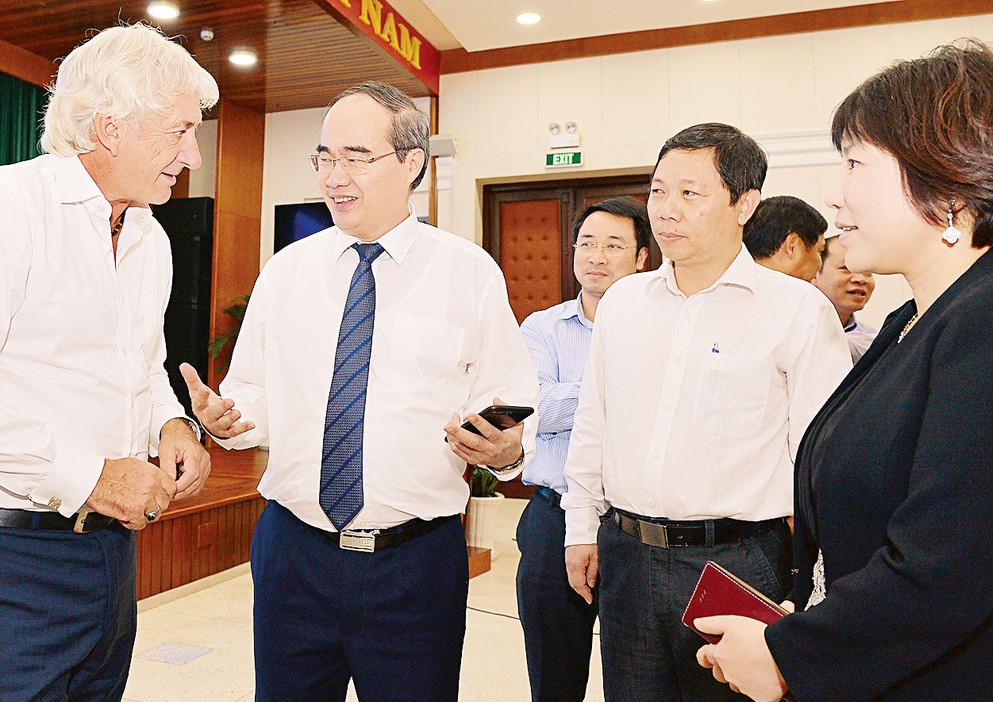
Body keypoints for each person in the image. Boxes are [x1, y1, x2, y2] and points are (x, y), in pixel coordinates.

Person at [180, 81, 539, 702]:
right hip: (294, 554)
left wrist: (503, 450)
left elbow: (510, 404)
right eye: (324, 157)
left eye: (355, 156)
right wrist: (227, 418)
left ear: (411, 164)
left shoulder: (467, 273)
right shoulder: (287, 271)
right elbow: (252, 399)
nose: (334, 175)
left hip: (415, 563)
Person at [695, 41, 993, 702]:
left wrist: (786, 655)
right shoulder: (913, 322)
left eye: (855, 163)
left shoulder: (987, 320)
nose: (833, 193)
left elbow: (947, 571)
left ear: (943, 174)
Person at [562, 123, 852, 702]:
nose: (666, 210)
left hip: (739, 562)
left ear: (745, 204)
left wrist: (814, 582)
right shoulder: (623, 303)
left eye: (690, 194)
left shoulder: (796, 311)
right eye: (658, 190)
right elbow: (595, 420)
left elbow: (823, 458)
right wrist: (578, 527)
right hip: (627, 555)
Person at [0, 24, 215, 701]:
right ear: (110, 126)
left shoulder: (150, 237)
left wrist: (171, 427)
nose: (195, 156)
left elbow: (143, 367)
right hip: (15, 558)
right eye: (179, 131)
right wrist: (90, 476)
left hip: (111, 558)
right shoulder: (12, 210)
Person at [517, 197, 650, 702]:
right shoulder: (542, 327)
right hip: (553, 518)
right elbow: (536, 409)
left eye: (613, 245)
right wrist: (610, 382)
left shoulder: (660, 328)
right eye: (587, 243)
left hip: (633, 523)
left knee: (640, 670)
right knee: (555, 672)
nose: (596, 255)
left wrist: (576, 389)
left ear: (641, 258)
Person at [812, 234, 877, 363]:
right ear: (815, 274)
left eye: (867, 271)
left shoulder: (874, 342)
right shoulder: (793, 332)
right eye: (846, 268)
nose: (861, 279)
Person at [743, 195, 828, 282]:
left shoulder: (732, 289)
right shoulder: (804, 294)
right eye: (819, 251)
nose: (820, 265)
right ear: (792, 246)